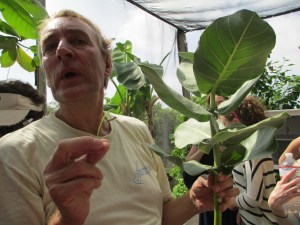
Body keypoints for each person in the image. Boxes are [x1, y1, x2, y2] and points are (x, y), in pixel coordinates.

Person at [0, 10, 237, 225]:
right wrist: (67, 217)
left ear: (107, 65)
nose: (62, 50)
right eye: (50, 47)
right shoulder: (15, 151)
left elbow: (161, 214)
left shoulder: (137, 130)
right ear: (47, 73)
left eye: (78, 40)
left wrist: (192, 200)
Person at [184, 95, 238, 225]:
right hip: (209, 197)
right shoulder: (203, 132)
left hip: (230, 201)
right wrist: (206, 146)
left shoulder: (235, 130)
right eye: (214, 104)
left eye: (221, 103)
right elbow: (188, 164)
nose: (217, 108)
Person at [225, 96, 279, 225]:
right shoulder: (248, 146)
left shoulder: (253, 151)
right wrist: (242, 212)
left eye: (221, 119)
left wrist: (231, 202)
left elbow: (253, 199)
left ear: (234, 118)